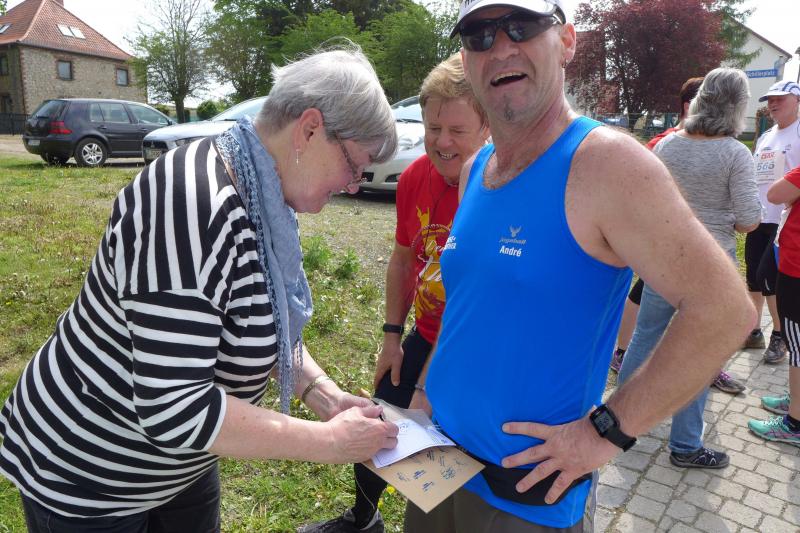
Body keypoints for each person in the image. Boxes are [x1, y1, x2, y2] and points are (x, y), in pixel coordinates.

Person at [0, 46, 400, 533]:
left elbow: (268, 325)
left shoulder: (262, 190)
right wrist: (330, 442)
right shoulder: (192, 203)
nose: (354, 185)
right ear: (311, 129)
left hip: (180, 464)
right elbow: (175, 408)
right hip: (90, 471)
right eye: (355, 166)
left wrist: (326, 397)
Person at [404, 1, 756, 531]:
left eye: (521, 27)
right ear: (467, 59)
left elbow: (725, 311)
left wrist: (607, 431)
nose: (500, 47)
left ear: (567, 41)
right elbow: (468, 307)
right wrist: (424, 393)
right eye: (479, 35)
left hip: (523, 494)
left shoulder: (606, 163)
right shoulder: (477, 167)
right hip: (439, 460)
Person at [298, 53, 490, 533]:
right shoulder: (415, 177)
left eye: (457, 130)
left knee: (447, 449)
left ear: (487, 127)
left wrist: (426, 384)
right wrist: (391, 337)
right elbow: (404, 259)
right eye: (432, 128)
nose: (442, 142)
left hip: (472, 342)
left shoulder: (494, 189)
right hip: (426, 331)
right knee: (379, 418)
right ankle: (364, 518)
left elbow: (473, 300)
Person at [617, 68, 761, 470]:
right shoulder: (735, 153)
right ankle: (685, 446)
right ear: (737, 106)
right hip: (710, 270)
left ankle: (618, 423)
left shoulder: (668, 145)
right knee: (697, 354)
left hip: (664, 258)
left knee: (644, 337)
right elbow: (749, 220)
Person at [610, 77, 704, 373]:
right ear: (689, 106)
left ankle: (702, 367)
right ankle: (623, 352)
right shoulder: (663, 142)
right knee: (645, 292)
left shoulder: (709, 142)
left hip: (694, 239)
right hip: (663, 237)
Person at [745, 80, 800, 363]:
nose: (773, 104)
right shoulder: (766, 136)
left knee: (768, 278)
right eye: (770, 99)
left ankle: (780, 336)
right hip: (759, 216)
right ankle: (754, 331)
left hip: (784, 221)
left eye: (780, 98)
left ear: (797, 100)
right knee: (753, 278)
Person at [748, 164, 800, 446]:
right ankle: (796, 402)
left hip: (797, 268)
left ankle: (794, 424)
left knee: (798, 345)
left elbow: (775, 193)